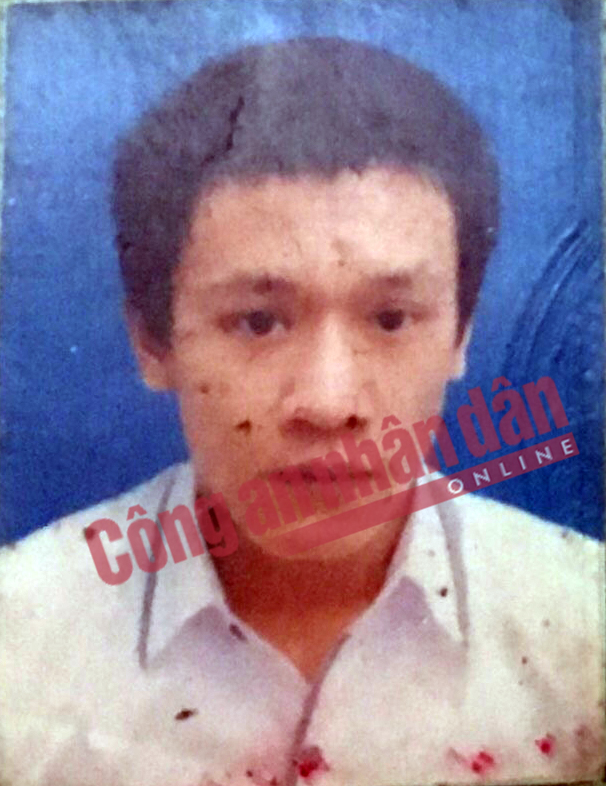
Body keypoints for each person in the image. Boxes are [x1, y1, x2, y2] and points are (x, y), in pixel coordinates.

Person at [0, 37, 603, 786]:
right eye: (258, 322)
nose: (328, 402)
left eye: (390, 319)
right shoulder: (18, 642)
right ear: (153, 342)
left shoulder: (584, 633)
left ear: (460, 336)